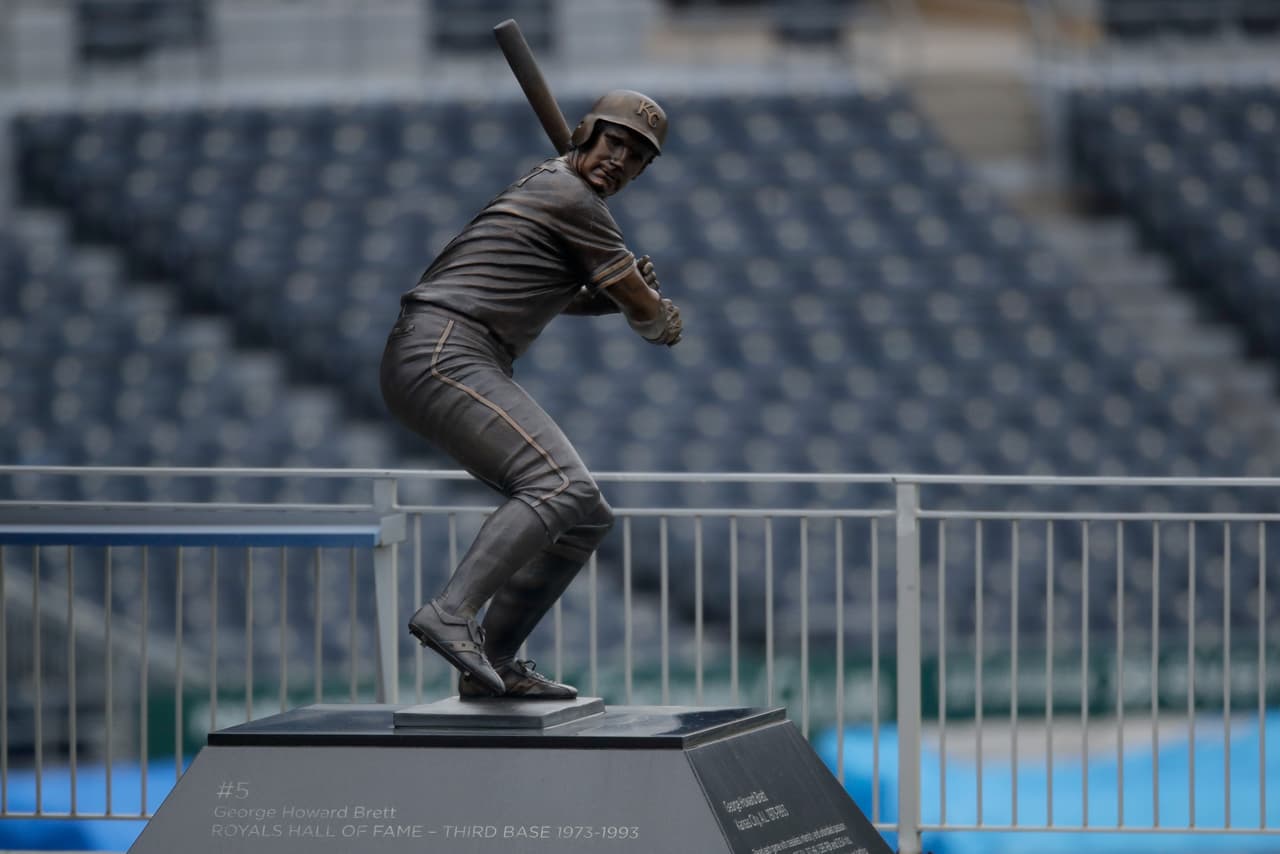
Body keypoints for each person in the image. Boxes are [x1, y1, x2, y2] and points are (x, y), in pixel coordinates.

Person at [379, 90, 682, 700]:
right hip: (443, 349)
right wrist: (656, 312)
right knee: (560, 486)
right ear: (584, 133)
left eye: (635, 156)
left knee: (585, 515)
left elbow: (541, 289)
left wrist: (612, 298)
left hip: (453, 350)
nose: (618, 160)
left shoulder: (562, 197)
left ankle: (492, 663)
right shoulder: (570, 197)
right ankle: (451, 612)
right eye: (612, 142)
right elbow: (652, 321)